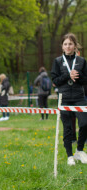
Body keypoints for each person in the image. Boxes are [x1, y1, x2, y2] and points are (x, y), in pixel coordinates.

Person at [51, 33, 87, 166]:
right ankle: (70, 156)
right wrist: (67, 75)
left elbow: (85, 80)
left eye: (70, 44)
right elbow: (55, 80)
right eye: (65, 44)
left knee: (84, 123)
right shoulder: (58, 61)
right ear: (62, 46)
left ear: (75, 46)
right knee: (67, 128)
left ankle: (79, 151)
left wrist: (78, 76)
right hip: (64, 97)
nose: (68, 46)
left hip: (79, 97)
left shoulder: (82, 61)